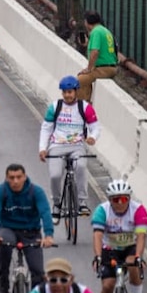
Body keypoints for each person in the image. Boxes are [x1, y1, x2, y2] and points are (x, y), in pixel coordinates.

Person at [0, 163, 56, 293]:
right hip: (8, 228)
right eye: (11, 178)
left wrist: (48, 235)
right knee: (4, 244)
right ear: (6, 178)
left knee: (38, 271)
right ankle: (3, 283)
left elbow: (45, 212)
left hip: (31, 231)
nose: (15, 181)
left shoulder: (36, 192)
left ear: (25, 177)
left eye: (19, 177)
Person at [39, 75, 100, 221]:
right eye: (65, 92)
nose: (67, 95)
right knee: (55, 175)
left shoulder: (85, 108)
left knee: (80, 167)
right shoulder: (55, 107)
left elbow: (95, 127)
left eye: (70, 92)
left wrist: (92, 137)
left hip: (77, 146)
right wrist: (43, 148)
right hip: (57, 146)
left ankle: (82, 202)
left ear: (76, 91)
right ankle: (56, 204)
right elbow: (46, 128)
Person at [92, 180, 147, 293]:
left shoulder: (138, 210)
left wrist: (139, 256)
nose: (119, 203)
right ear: (109, 200)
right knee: (107, 286)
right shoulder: (102, 210)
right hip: (109, 249)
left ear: (129, 199)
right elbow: (97, 236)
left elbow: (141, 236)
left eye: (123, 199)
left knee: (133, 264)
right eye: (115, 199)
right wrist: (97, 257)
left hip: (130, 247)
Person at [21, 258, 98, 293]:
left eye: (63, 280)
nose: (58, 284)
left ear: (71, 280)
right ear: (46, 280)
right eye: (53, 280)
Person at [76, 11, 117, 101]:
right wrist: (87, 44)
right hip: (111, 67)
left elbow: (95, 52)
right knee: (86, 80)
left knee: (80, 80)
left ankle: (82, 106)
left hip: (103, 69)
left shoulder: (96, 32)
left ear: (87, 22)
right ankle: (86, 101)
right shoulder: (104, 30)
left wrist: (89, 68)